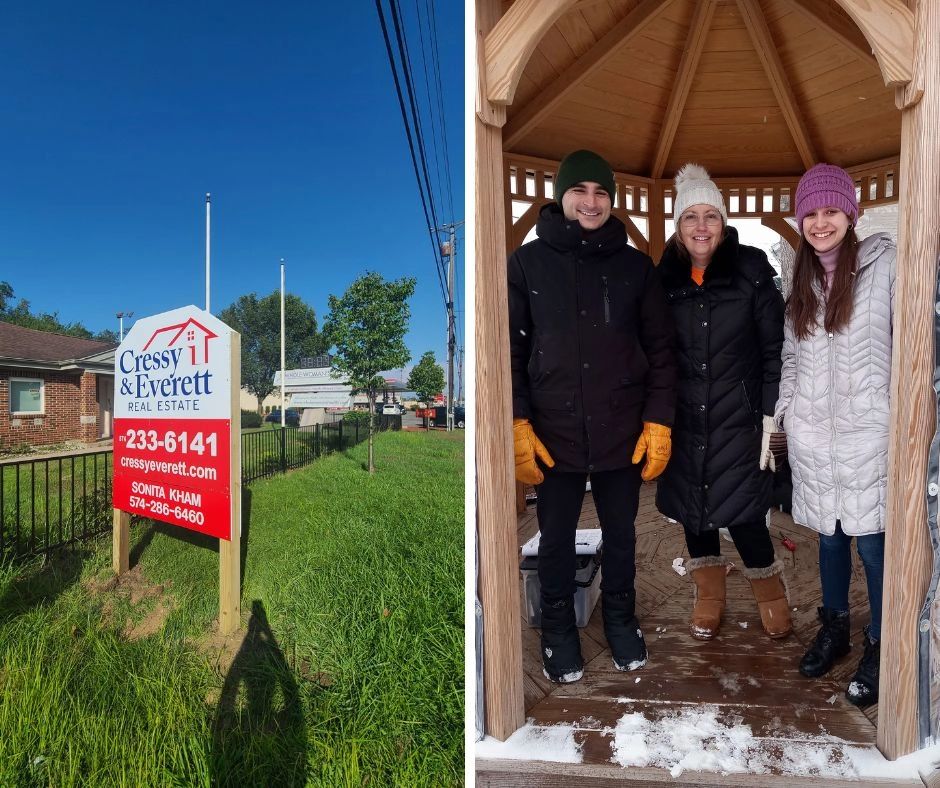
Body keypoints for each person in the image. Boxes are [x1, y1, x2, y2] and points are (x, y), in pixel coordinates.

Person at [508, 149, 677, 683]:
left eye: (601, 192)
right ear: (561, 197)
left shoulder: (636, 268)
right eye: (579, 191)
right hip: (551, 431)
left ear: (612, 200)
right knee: (555, 536)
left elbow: (661, 351)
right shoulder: (526, 264)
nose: (590, 201)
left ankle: (622, 619)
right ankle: (558, 628)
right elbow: (511, 350)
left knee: (621, 532)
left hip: (621, 429)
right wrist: (517, 420)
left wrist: (658, 419)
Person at [774, 163, 894, 707]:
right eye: (811, 214)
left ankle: (881, 642)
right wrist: (788, 412)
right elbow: (791, 357)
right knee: (830, 538)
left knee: (872, 542)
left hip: (871, 435)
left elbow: (912, 341)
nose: (821, 223)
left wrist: (898, 414)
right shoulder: (799, 278)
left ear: (851, 214)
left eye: (831, 211)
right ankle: (836, 627)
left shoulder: (884, 265)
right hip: (815, 438)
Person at [656, 163, 791, 641]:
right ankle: (709, 596)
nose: (701, 227)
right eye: (690, 216)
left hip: (741, 420)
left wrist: (772, 416)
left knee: (746, 515)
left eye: (710, 215)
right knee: (694, 513)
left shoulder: (751, 273)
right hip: (684, 419)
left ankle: (771, 596)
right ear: (678, 225)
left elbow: (776, 351)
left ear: (723, 222)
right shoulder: (663, 281)